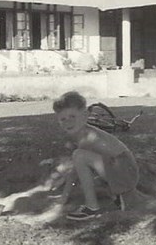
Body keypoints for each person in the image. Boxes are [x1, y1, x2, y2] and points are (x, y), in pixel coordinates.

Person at [53, 91, 139, 220]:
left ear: (86, 115)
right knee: (81, 159)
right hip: (123, 170)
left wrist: (65, 196)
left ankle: (92, 207)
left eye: (72, 116)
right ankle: (117, 195)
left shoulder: (89, 136)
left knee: (79, 156)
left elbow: (76, 170)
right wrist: (64, 195)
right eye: (62, 119)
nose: (67, 122)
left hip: (125, 171)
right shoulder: (83, 133)